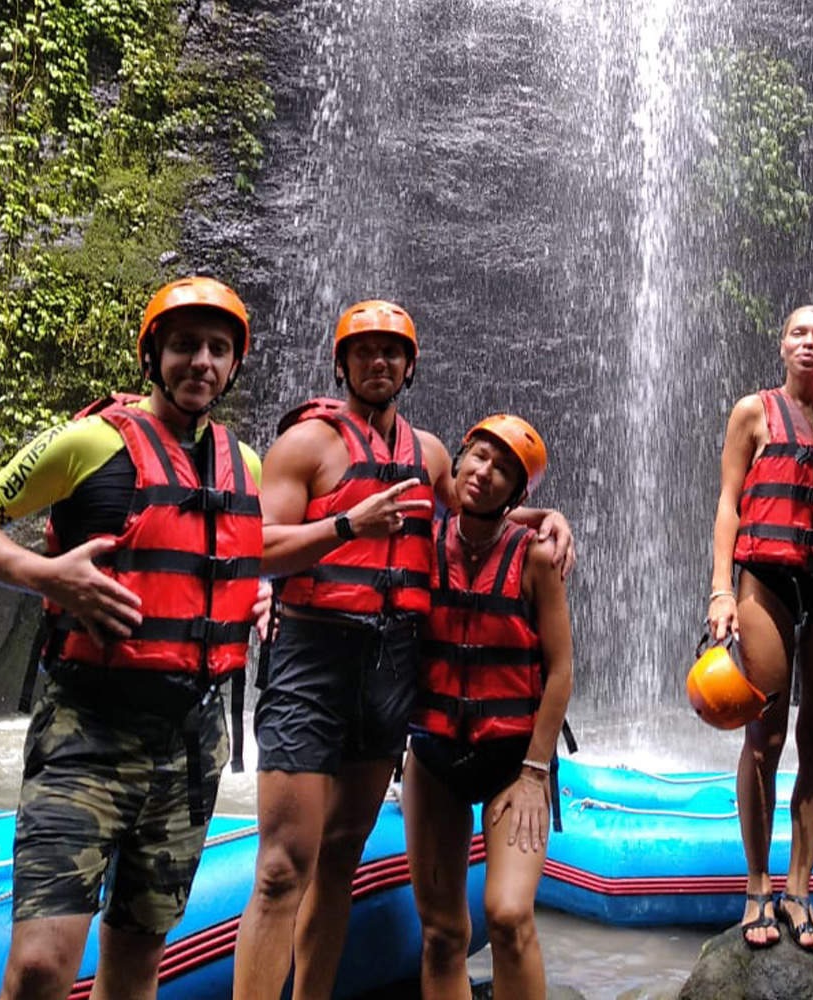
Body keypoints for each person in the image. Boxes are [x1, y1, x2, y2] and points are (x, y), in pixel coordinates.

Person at [232, 300, 574, 1000]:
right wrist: (345, 525)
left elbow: (478, 509)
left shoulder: (429, 455)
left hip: (390, 670)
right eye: (364, 350)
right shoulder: (305, 445)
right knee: (279, 869)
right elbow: (256, 552)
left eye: (392, 352)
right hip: (313, 660)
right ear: (341, 362)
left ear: (410, 367)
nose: (378, 362)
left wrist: (550, 513)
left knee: (340, 856)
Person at [0, 277, 265, 1000]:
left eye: (217, 349)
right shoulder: (91, 441)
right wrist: (47, 576)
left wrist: (260, 589)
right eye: (183, 346)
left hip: (189, 740)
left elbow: (254, 554)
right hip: (89, 729)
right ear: (153, 356)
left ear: (234, 364)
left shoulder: (247, 466)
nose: (200, 363)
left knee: (138, 960)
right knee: (40, 970)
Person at [707, 306, 813, 952]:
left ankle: (799, 890)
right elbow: (728, 502)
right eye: (798, 332)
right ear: (782, 345)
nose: (809, 342)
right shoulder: (753, 411)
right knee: (764, 736)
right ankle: (756, 885)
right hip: (765, 579)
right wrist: (721, 589)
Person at [403, 414, 573, 999]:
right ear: (456, 462)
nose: (484, 472)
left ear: (518, 493)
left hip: (511, 761)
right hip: (433, 754)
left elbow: (561, 671)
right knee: (443, 932)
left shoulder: (536, 558)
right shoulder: (420, 541)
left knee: (507, 915)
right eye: (478, 456)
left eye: (503, 469)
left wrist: (535, 772)